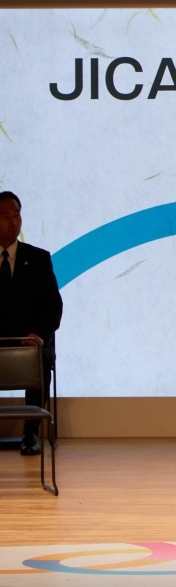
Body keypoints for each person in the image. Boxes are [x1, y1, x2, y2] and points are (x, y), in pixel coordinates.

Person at [0, 191, 63, 456]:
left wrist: (37, 335)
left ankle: (31, 433)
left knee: (35, 357)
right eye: (5, 216)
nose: (13, 221)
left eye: (17, 215)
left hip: (29, 340)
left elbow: (53, 306)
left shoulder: (38, 258)